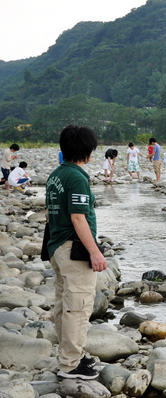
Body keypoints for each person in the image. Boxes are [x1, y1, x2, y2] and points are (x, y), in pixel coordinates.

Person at [46, 125, 107, 380]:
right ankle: (71, 364)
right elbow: (79, 218)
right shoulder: (77, 178)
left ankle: (69, 355)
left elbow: (51, 214)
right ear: (87, 151)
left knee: (64, 304)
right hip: (74, 249)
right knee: (79, 305)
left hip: (57, 245)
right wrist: (95, 252)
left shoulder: (56, 175)